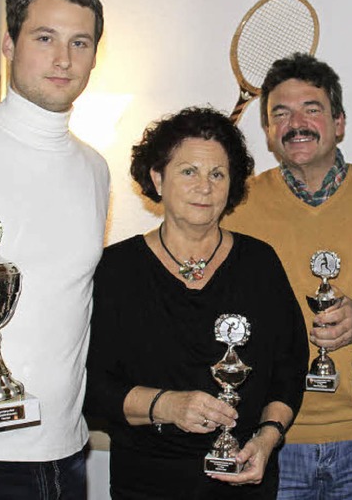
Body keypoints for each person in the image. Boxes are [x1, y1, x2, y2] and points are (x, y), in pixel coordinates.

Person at [84, 107, 308, 499]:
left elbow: (289, 367)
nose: (204, 186)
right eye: (189, 171)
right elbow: (92, 385)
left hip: (245, 480)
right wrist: (166, 405)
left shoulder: (260, 263)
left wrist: (268, 439)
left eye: (217, 174)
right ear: (157, 178)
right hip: (147, 484)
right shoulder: (116, 270)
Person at [0, 0, 109, 498]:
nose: (63, 59)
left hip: (66, 454)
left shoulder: (95, 169)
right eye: (45, 38)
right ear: (8, 43)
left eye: (79, 42)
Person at [223, 53, 352, 499]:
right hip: (271, 440)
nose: (296, 123)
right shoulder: (235, 207)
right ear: (269, 132)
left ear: (340, 122)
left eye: (311, 109)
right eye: (280, 113)